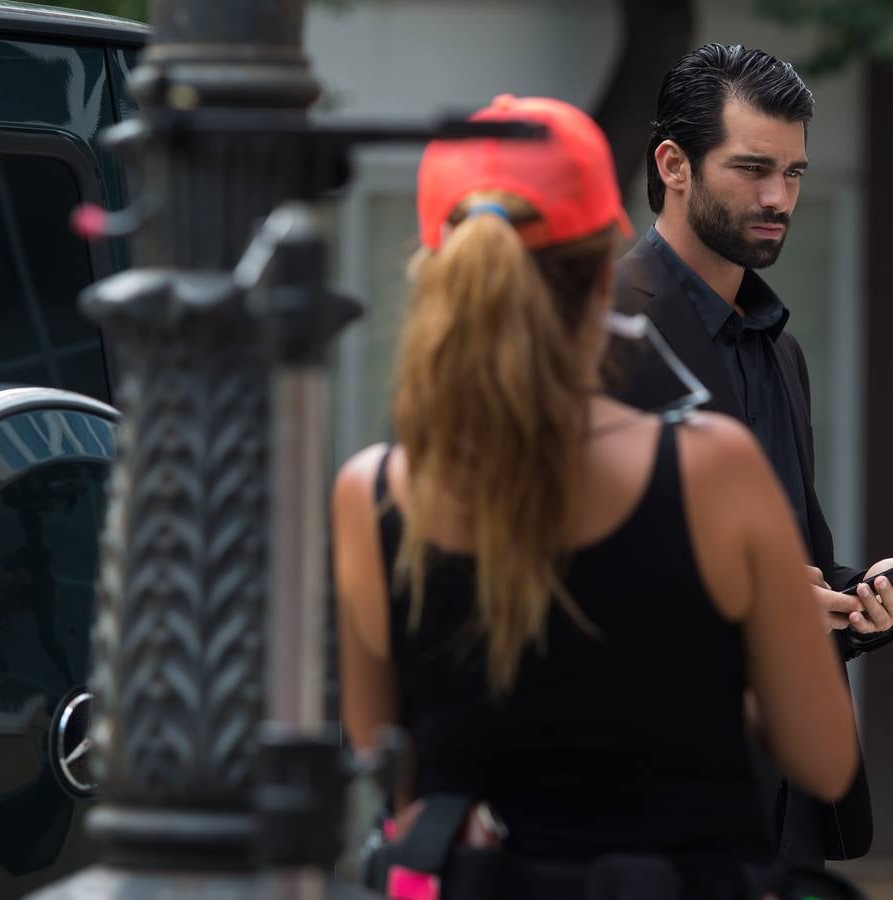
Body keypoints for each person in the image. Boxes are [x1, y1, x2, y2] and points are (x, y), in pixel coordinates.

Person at [331, 93, 859, 898]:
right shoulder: (711, 468)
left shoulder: (368, 493)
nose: (776, 193)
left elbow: (392, 768)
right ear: (606, 254)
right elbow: (821, 757)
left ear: (439, 266)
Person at [607, 43, 893, 866]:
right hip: (658, 802)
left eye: (791, 173)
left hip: (787, 806)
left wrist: (855, 606)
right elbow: (568, 580)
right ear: (673, 164)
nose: (777, 197)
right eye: (752, 169)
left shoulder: (777, 347)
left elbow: (787, 564)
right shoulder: (602, 331)